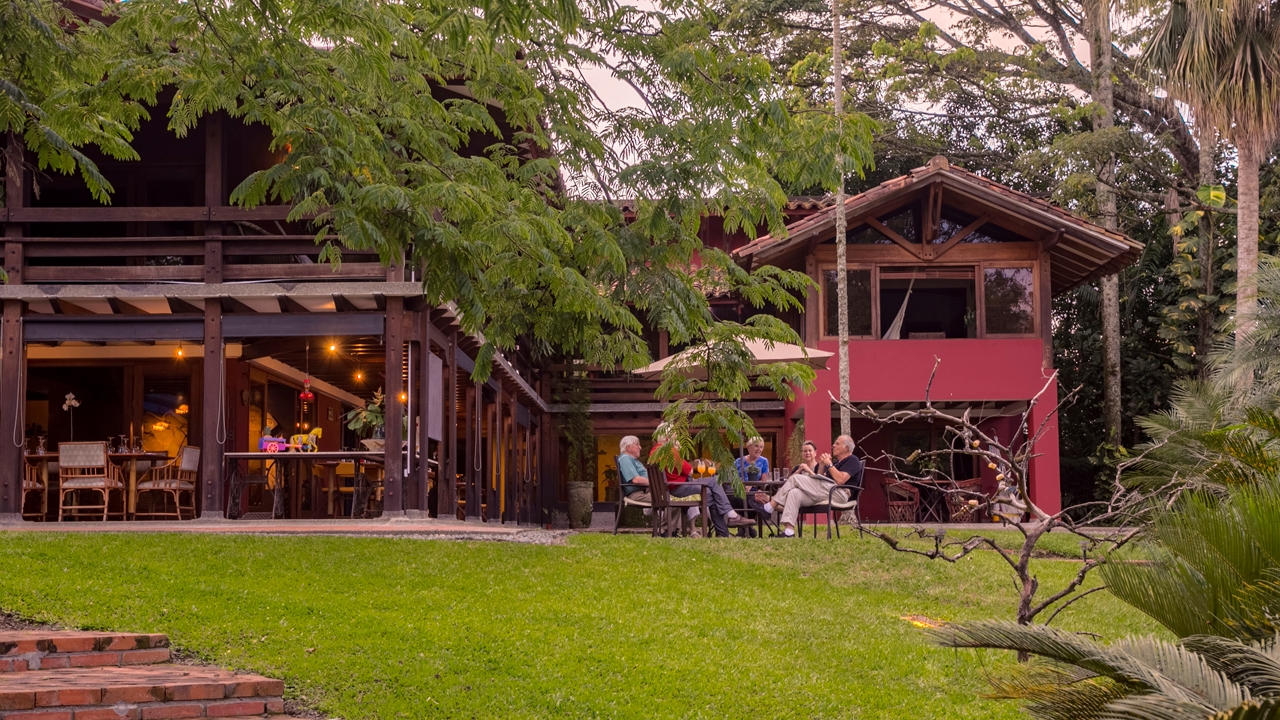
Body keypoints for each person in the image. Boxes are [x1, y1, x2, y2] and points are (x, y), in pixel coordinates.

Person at [755, 435, 863, 537]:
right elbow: (820, 479)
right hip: (826, 491)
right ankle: (789, 532)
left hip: (839, 493)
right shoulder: (837, 463)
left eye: (837, 443)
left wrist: (829, 464)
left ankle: (769, 507)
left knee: (795, 478)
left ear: (846, 448)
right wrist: (822, 465)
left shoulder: (853, 460)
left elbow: (840, 480)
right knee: (794, 493)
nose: (833, 445)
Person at [651, 433, 753, 537]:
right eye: (675, 435)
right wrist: (678, 450)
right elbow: (690, 470)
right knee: (715, 481)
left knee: (709, 492)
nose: (677, 438)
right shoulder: (669, 450)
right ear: (667, 437)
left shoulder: (654, 451)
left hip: (671, 487)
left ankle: (723, 530)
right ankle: (730, 517)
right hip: (678, 487)